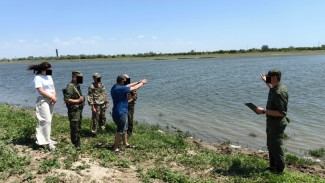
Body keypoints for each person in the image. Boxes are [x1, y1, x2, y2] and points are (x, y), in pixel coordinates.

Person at [255, 69, 289, 174]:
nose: (267, 78)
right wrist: (266, 81)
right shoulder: (275, 87)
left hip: (277, 123)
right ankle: (273, 167)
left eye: (269, 77)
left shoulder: (280, 92)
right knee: (270, 144)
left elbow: (282, 113)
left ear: (274, 78)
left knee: (276, 146)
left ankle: (279, 170)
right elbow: (271, 87)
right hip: (271, 122)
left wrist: (264, 111)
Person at [111, 75, 147, 155]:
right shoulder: (120, 88)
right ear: (122, 82)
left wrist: (138, 81)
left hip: (119, 111)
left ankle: (126, 144)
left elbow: (128, 85)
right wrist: (142, 83)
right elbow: (134, 88)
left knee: (125, 129)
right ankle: (115, 148)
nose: (126, 83)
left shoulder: (115, 86)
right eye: (125, 81)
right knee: (120, 131)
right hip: (121, 112)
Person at [28, 62, 57, 151]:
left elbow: (53, 87)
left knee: (49, 119)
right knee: (45, 120)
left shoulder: (49, 76)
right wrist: (51, 97)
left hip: (50, 99)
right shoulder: (38, 78)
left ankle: (47, 137)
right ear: (43, 70)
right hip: (42, 100)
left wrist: (53, 97)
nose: (50, 71)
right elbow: (40, 91)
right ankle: (46, 142)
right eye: (49, 69)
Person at [64, 71, 85, 149]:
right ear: (74, 77)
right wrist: (78, 101)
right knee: (74, 126)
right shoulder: (70, 86)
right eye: (79, 78)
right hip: (73, 110)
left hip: (78, 110)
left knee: (78, 125)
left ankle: (77, 140)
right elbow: (66, 100)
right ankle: (74, 142)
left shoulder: (76, 86)